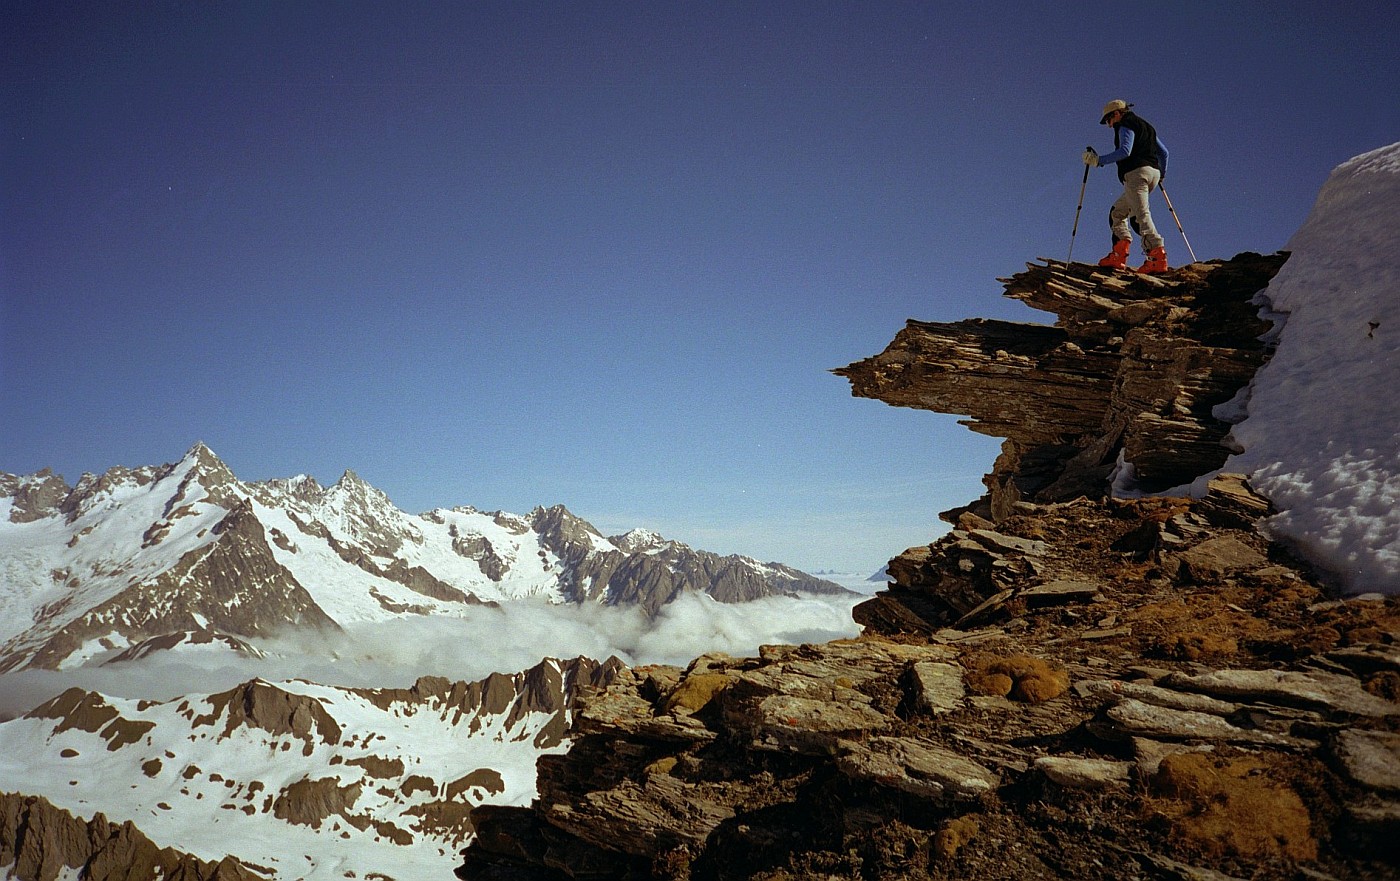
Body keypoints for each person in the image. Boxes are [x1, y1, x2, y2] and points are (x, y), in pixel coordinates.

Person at [1083, 100, 1170, 274]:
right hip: (1152, 174)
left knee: (1141, 214)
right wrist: (1161, 174)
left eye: (1108, 120)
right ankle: (1119, 254)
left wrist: (1098, 161)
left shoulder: (1125, 124)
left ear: (1116, 114)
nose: (1109, 125)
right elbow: (1164, 153)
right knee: (1118, 212)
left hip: (1136, 174)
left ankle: (1157, 258)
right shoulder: (1148, 127)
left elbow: (1125, 151)